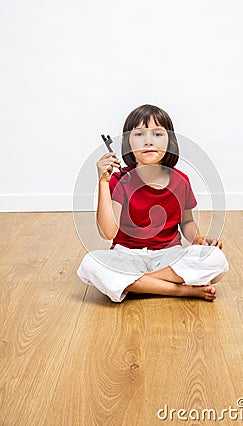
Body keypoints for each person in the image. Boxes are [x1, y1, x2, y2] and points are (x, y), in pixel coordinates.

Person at [77, 104, 229, 303]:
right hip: (127, 256)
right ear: (127, 143)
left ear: (170, 141)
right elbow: (108, 233)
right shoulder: (119, 180)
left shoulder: (180, 180)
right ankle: (179, 290)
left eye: (157, 134)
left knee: (216, 259)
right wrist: (103, 182)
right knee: (90, 264)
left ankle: (136, 285)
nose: (148, 141)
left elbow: (187, 223)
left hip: (169, 256)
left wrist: (199, 240)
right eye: (139, 134)